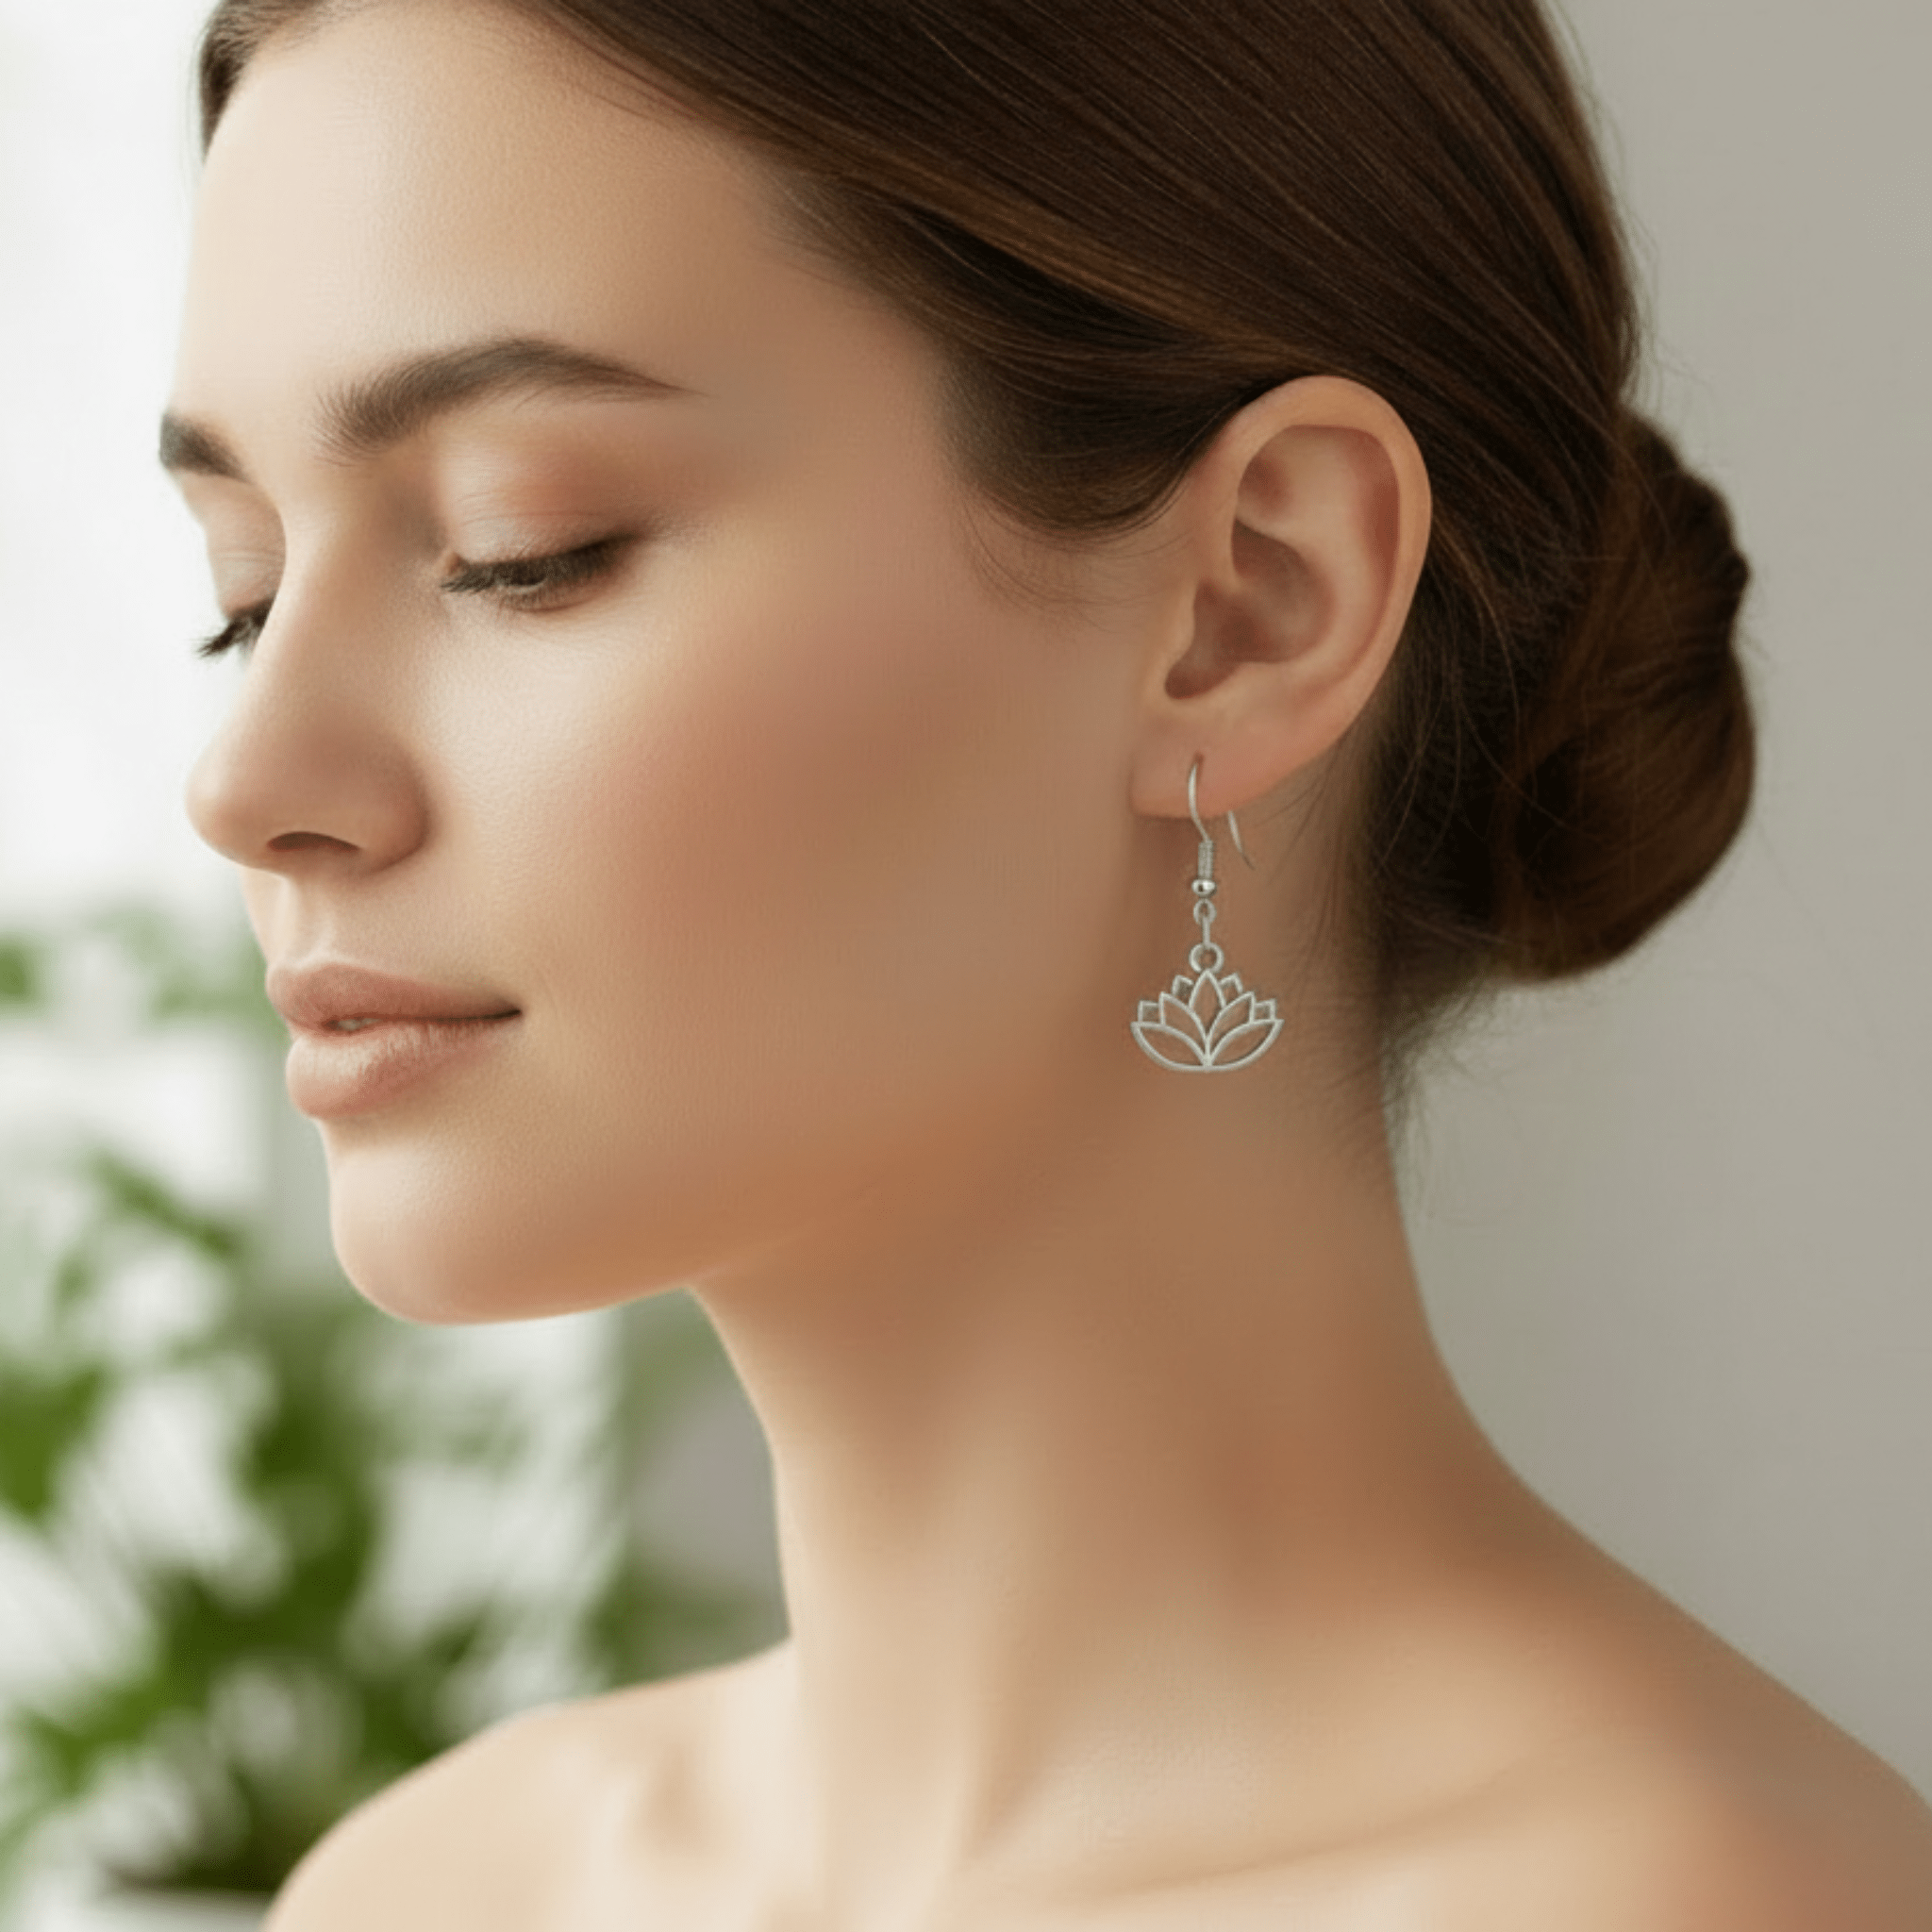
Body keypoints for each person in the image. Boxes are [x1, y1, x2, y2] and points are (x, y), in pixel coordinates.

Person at [161, 0, 1932, 1924]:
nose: (250, 780)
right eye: (238, 595)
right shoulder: (431, 1891)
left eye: (526, 546)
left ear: (1253, 602)